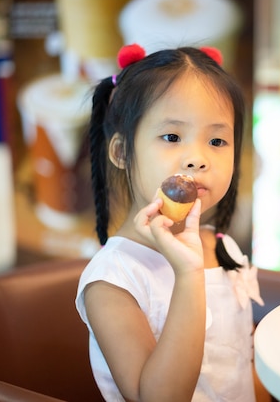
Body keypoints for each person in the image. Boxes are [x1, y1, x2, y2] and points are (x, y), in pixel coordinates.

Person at [75, 43, 265, 402]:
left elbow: (243, 362)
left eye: (217, 140)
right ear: (121, 152)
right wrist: (188, 273)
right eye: (172, 137)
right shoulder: (113, 280)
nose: (197, 158)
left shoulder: (221, 245)